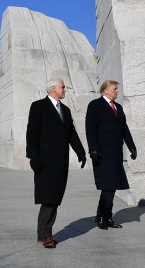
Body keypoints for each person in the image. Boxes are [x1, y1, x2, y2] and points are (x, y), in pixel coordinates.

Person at [26, 78, 87, 249]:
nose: (65, 90)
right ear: (53, 89)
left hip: (61, 162)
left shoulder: (65, 110)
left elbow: (71, 134)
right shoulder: (38, 106)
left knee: (55, 198)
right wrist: (33, 156)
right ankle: (46, 235)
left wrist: (81, 152)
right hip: (44, 161)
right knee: (49, 198)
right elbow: (32, 133)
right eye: (63, 87)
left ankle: (42, 234)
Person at [85, 80, 137, 230]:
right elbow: (90, 129)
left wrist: (131, 146)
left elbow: (124, 129)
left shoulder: (118, 108)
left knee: (112, 186)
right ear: (105, 90)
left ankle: (106, 216)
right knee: (108, 185)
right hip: (101, 153)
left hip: (115, 153)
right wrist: (93, 148)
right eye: (114, 89)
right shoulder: (95, 105)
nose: (117, 91)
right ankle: (102, 216)